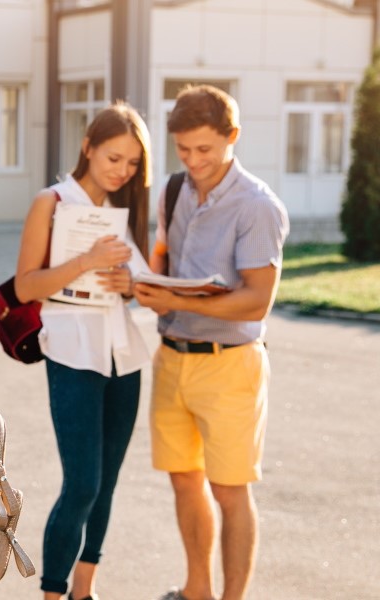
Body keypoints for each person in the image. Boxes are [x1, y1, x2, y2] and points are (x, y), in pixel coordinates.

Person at [134, 85, 289, 600]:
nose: (193, 161)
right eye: (183, 150)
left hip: (230, 365)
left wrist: (181, 302)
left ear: (232, 137)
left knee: (229, 490)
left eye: (204, 149)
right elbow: (163, 262)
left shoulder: (257, 206)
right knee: (183, 481)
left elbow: (255, 302)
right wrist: (146, 281)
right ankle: (196, 591)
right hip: (172, 358)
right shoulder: (175, 190)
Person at [14, 102, 154, 600]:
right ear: (88, 147)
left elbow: (140, 283)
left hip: (124, 355)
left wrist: (130, 283)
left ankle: (85, 589)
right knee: (83, 485)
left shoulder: (126, 208)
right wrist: (88, 261)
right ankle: (53, 593)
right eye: (114, 158)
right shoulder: (50, 202)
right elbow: (27, 286)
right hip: (72, 354)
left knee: (107, 484)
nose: (123, 171)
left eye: (133, 163)